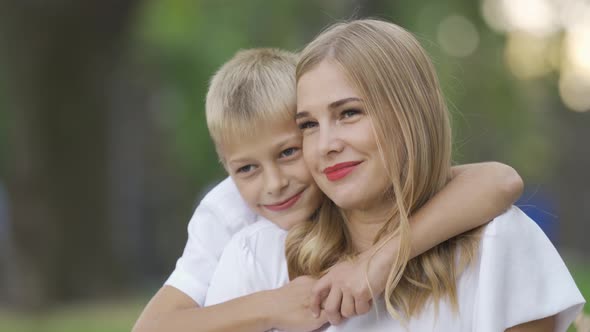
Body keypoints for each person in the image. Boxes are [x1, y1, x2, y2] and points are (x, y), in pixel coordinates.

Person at [205, 20, 585, 331]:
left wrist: (377, 262)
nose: (325, 144)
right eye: (308, 125)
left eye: (349, 113)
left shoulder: (498, 244)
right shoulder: (260, 257)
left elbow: (500, 180)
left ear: (409, 115)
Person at [133, 48, 525, 332]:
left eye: (289, 152)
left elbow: (499, 180)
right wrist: (273, 306)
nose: (275, 184)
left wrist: (375, 261)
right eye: (247, 168)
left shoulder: (354, 181)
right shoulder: (231, 214)